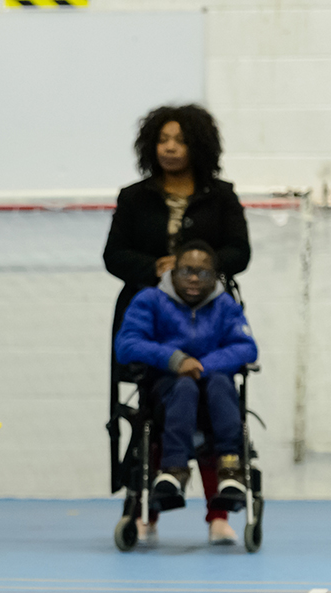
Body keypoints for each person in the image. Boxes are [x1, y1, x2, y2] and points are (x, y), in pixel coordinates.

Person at [103, 103, 250, 545]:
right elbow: (114, 256)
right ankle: (148, 508)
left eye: (180, 140)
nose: (170, 148)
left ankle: (219, 513)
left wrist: (196, 268)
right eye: (163, 140)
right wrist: (157, 268)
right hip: (150, 319)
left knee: (215, 405)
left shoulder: (221, 195)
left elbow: (239, 253)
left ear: (198, 146)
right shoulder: (134, 196)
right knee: (156, 409)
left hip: (208, 318)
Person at [114, 241, 257, 542]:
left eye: (203, 273)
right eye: (187, 271)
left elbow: (246, 346)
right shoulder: (150, 299)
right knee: (183, 387)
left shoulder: (225, 305)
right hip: (167, 391)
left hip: (215, 393)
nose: (194, 279)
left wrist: (202, 365)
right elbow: (127, 344)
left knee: (219, 384)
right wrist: (175, 360)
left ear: (215, 276)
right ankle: (172, 471)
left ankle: (231, 473)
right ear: (173, 270)